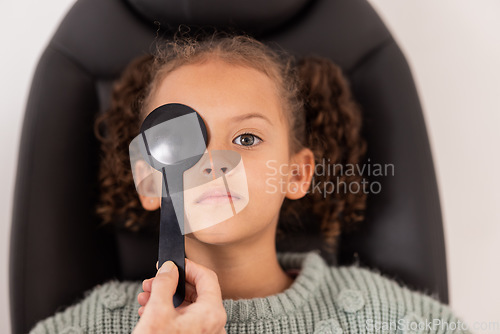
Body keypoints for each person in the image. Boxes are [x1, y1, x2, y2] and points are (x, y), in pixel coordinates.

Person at [30, 31, 470, 334]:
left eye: (246, 137)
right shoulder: (84, 326)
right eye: (182, 141)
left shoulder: (390, 319)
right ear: (149, 180)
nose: (213, 162)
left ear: (296, 174)